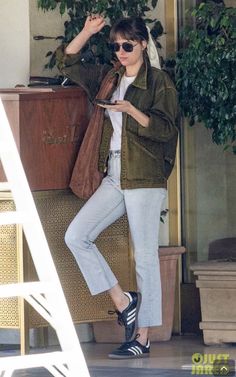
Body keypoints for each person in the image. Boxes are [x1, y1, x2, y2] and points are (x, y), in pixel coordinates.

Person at [60, 14, 179, 359]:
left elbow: (167, 130)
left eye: (128, 45)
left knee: (145, 257)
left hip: (144, 175)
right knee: (76, 235)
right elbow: (67, 62)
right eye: (116, 46)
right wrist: (86, 32)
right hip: (114, 172)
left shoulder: (160, 82)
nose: (121, 51)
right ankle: (123, 300)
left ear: (143, 44)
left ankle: (142, 337)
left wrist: (130, 111)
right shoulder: (109, 77)